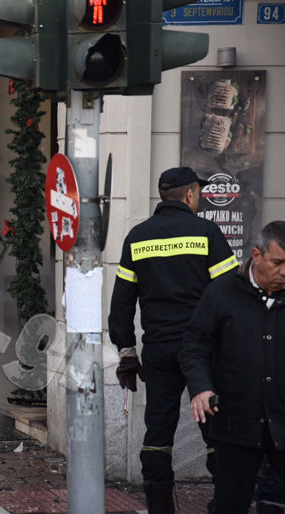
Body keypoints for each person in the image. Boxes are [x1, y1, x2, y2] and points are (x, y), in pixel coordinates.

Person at [108, 166, 239, 513]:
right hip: (204, 351)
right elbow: (231, 293)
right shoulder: (206, 232)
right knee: (217, 430)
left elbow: (121, 303)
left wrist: (126, 351)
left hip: (158, 350)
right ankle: (225, 503)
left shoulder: (137, 237)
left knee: (157, 433)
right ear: (191, 194)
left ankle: (160, 508)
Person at [180, 221, 285, 514]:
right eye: (278, 263)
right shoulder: (222, 293)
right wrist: (201, 388)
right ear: (257, 255)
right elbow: (194, 346)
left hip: (282, 419)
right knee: (229, 505)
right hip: (237, 424)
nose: (284, 272)